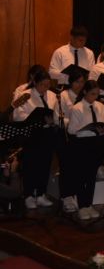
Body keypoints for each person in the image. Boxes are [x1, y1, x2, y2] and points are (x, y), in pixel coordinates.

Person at [12, 71, 60, 209]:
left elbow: (57, 113)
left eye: (47, 85)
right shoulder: (26, 95)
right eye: (42, 85)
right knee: (31, 165)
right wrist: (36, 119)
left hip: (48, 133)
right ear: (35, 83)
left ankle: (40, 193)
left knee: (45, 164)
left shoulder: (52, 95)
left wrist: (53, 120)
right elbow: (18, 115)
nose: (45, 88)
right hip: (31, 133)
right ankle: (28, 195)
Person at [66, 80, 104, 220]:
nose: (95, 97)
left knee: (91, 177)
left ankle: (89, 204)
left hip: (96, 144)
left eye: (97, 94)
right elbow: (71, 130)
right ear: (85, 92)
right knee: (81, 176)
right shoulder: (77, 108)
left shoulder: (100, 106)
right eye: (92, 94)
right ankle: (82, 206)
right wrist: (89, 129)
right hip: (82, 144)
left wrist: (103, 129)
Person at [57, 70, 87, 212]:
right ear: (70, 82)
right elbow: (58, 117)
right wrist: (74, 122)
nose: (79, 85)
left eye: (82, 82)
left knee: (78, 167)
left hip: (80, 135)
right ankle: (66, 196)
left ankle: (75, 194)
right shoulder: (63, 95)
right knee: (66, 166)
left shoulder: (85, 96)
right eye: (77, 82)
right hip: (66, 135)